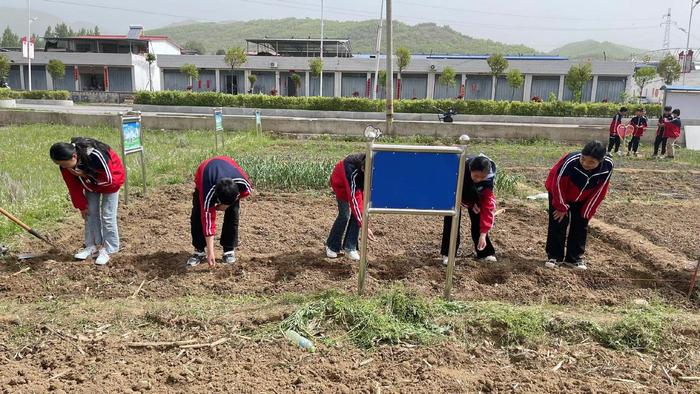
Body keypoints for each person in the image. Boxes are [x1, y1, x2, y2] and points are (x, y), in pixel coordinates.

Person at [49, 137, 125, 265]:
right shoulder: (66, 166)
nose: (62, 167)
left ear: (74, 156)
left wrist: (85, 174)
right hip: (90, 183)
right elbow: (73, 187)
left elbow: (109, 179)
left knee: (107, 215)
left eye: (63, 164)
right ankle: (92, 246)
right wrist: (81, 206)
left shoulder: (95, 155)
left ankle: (110, 248)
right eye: (59, 164)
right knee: (90, 213)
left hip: (112, 181)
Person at [544, 141, 613, 270]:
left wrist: (587, 211)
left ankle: (574, 258)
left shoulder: (607, 166)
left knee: (581, 224)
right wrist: (561, 206)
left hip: (584, 196)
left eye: (591, 162)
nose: (586, 164)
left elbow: (601, 190)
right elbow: (558, 183)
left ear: (601, 161)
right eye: (583, 159)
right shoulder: (571, 162)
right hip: (560, 192)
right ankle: (554, 256)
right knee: (558, 221)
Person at [187, 156, 252, 267]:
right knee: (197, 215)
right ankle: (199, 249)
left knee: (233, 213)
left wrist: (226, 205)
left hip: (226, 165)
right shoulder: (207, 190)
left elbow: (247, 191)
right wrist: (210, 252)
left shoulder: (242, 182)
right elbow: (207, 218)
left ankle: (228, 249)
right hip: (204, 176)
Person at [441, 155, 497, 265]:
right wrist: (469, 204)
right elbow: (454, 190)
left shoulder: (488, 179)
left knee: (479, 214)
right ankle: (449, 253)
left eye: (482, 177)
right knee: (452, 218)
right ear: (471, 169)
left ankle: (484, 252)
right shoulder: (460, 168)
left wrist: (483, 234)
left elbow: (488, 206)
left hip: (476, 193)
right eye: (476, 176)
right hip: (454, 190)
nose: (478, 179)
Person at [326, 153, 374, 261]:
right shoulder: (352, 170)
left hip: (359, 187)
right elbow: (354, 199)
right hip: (341, 185)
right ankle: (332, 245)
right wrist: (364, 225)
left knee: (358, 214)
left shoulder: (372, 165)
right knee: (344, 215)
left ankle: (350, 247)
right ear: (362, 167)